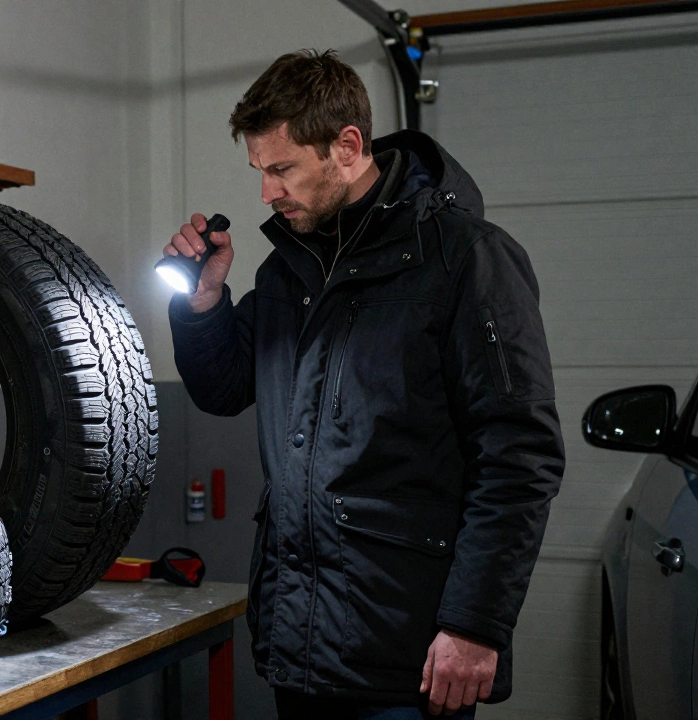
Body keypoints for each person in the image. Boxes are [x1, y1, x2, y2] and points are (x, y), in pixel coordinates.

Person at [163, 50, 565, 719]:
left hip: (410, 654)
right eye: (259, 171)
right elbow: (223, 389)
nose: (266, 193)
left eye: (282, 169)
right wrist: (203, 304)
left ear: (347, 147)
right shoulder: (289, 270)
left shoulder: (466, 259)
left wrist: (475, 625)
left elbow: (520, 458)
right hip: (301, 648)